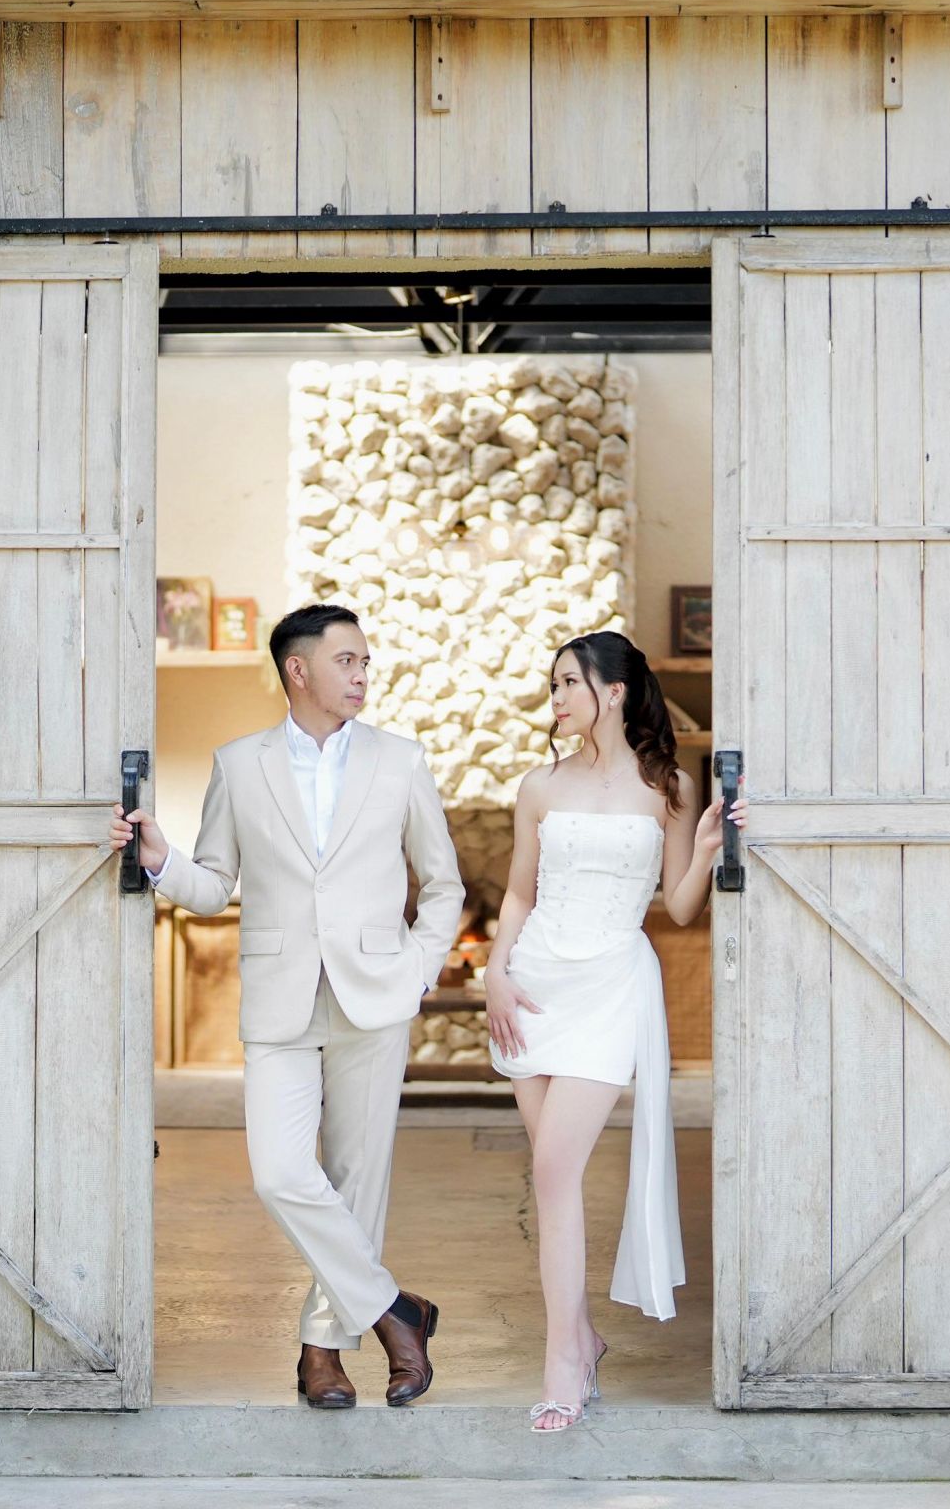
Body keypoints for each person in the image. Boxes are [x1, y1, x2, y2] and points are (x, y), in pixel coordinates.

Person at [111, 604, 464, 1409]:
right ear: (297, 670)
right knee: (280, 1174)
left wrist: (417, 970)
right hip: (281, 999)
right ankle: (397, 1312)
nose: (363, 675)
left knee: (355, 1181)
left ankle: (321, 1353)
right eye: (347, 661)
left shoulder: (401, 760)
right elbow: (213, 886)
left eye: (366, 661)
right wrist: (162, 860)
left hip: (376, 993)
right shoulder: (240, 765)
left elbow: (444, 885)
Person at [485, 631, 747, 1432]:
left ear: (616, 691)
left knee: (554, 1168)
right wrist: (495, 972)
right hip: (535, 983)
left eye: (569, 683)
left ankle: (563, 1362)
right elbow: (520, 893)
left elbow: (679, 906)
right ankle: (581, 1343)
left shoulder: (668, 785)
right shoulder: (539, 785)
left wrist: (706, 850)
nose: (557, 698)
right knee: (552, 1176)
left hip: (609, 988)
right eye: (554, 686)